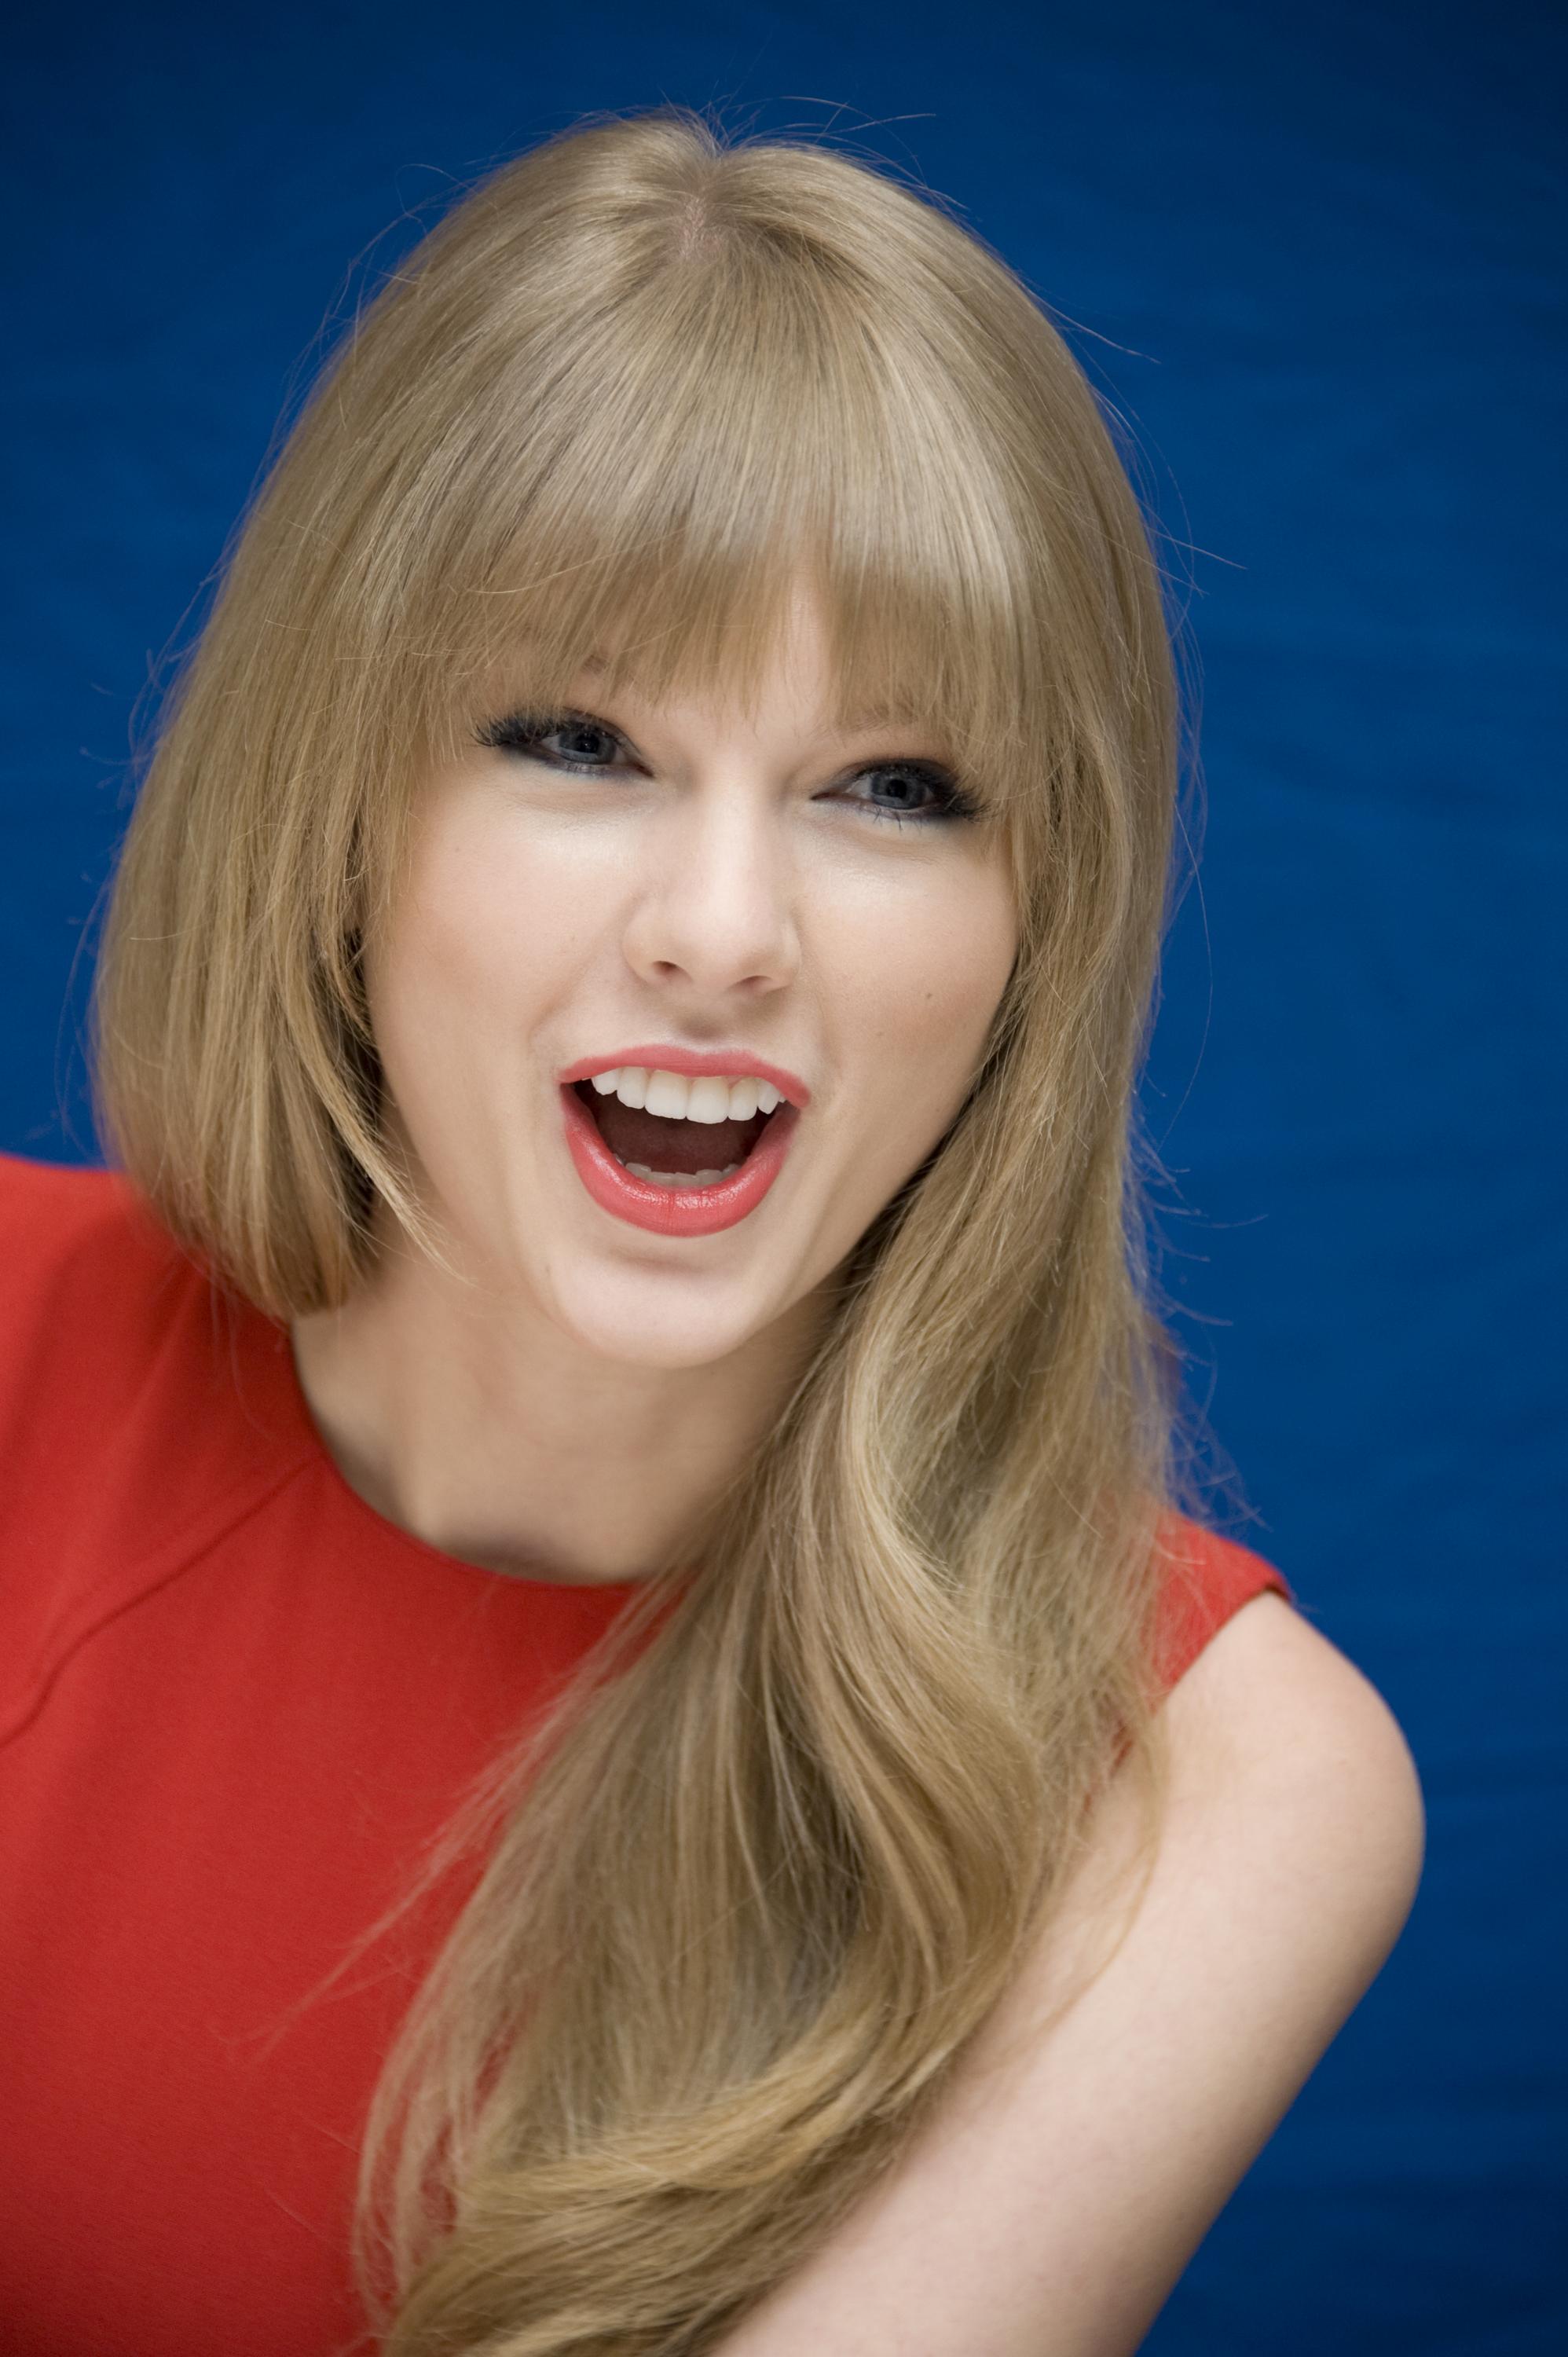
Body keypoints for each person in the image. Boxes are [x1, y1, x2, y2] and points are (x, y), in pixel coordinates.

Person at [0, 105, 1424, 2357]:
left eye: (893, 789)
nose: (727, 930)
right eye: (578, 742)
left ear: (1037, 927)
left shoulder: (1211, 1783)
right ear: (335, 805)